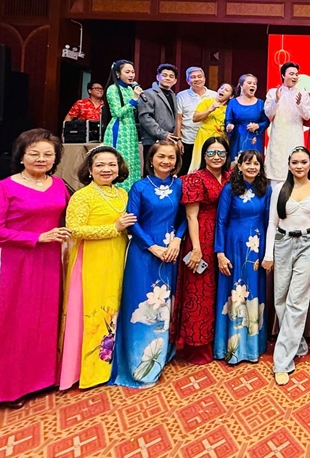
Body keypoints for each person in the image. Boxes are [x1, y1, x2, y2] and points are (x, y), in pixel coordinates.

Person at [0, 129, 71, 407]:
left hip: (49, 260)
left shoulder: (58, 185)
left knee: (44, 319)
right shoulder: (5, 187)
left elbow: (70, 216)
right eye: (34, 153)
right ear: (21, 156)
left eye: (48, 154)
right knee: (14, 321)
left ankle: (40, 380)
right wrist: (36, 237)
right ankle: (5, 388)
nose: (41, 159)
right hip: (15, 262)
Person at [110, 141, 185, 388]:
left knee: (164, 306)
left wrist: (177, 239)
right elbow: (132, 222)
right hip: (143, 253)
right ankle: (136, 363)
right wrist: (152, 247)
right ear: (151, 159)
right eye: (161, 156)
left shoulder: (180, 185)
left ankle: (160, 355)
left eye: (171, 157)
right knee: (139, 304)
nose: (166, 161)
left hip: (170, 252)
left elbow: (185, 217)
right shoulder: (139, 187)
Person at [60, 146, 134, 390]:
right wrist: (114, 228)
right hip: (91, 260)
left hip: (117, 257)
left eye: (111, 164)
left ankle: (111, 367)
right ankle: (88, 371)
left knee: (114, 308)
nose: (106, 169)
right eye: (100, 165)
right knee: (92, 311)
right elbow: (74, 229)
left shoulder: (122, 194)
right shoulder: (83, 196)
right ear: (90, 170)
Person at [263, 146, 310, 384]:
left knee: (297, 301)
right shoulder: (279, 189)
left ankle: (282, 361)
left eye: (303, 162)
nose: (299, 166)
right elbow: (272, 223)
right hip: (283, 243)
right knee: (280, 299)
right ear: (288, 165)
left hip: (308, 244)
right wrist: (269, 254)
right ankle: (298, 343)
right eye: (295, 162)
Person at [174, 137, 231, 365]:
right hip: (202, 237)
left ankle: (220, 341)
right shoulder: (195, 178)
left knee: (222, 289)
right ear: (203, 155)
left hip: (226, 236)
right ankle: (198, 345)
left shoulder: (230, 176)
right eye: (211, 153)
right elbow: (191, 216)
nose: (216, 157)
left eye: (221, 153)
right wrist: (196, 248)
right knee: (199, 292)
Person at [214, 150, 271, 365]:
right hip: (233, 244)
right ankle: (230, 346)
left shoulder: (266, 189)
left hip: (257, 246)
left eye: (256, 163)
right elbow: (221, 221)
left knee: (254, 290)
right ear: (239, 166)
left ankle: (252, 345)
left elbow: (268, 222)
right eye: (248, 163)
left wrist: (268, 252)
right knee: (234, 289)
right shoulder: (229, 189)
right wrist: (220, 252)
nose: (252, 167)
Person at [264, 63, 310, 185]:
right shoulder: (273, 92)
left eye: (296, 74)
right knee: (277, 173)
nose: (295, 77)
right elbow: (268, 114)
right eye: (291, 74)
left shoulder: (303, 94)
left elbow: (307, 115)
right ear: (283, 75)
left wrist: (299, 105)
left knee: (295, 170)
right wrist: (276, 100)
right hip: (278, 138)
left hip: (295, 137)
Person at [101, 60, 142, 191]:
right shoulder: (112, 89)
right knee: (120, 161)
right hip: (119, 130)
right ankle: (117, 191)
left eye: (133, 72)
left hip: (130, 129)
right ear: (118, 74)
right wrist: (134, 100)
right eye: (127, 72)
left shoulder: (130, 89)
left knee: (132, 162)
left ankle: (131, 193)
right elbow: (117, 112)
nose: (131, 75)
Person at [138, 64, 181, 163]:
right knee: (151, 167)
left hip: (168, 139)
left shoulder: (173, 95)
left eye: (171, 76)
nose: (168, 78)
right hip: (152, 140)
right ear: (158, 77)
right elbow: (145, 118)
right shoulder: (148, 93)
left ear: (175, 81)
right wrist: (163, 134)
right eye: (164, 75)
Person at [188, 83, 233, 173]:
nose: (222, 91)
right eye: (221, 88)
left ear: (231, 96)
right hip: (203, 137)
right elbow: (195, 118)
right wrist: (210, 109)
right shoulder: (207, 102)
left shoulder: (229, 108)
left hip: (220, 140)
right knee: (200, 162)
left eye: (226, 90)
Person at [176, 67, 213, 176]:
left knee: (206, 171)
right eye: (193, 77)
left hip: (208, 139)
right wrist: (178, 139)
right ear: (188, 81)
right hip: (188, 139)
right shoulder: (181, 96)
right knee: (185, 171)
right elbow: (178, 119)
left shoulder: (214, 95)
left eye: (199, 76)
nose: (197, 79)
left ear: (204, 78)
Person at [225, 73, 270, 158]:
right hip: (238, 138)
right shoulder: (233, 102)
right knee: (237, 160)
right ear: (241, 85)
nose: (253, 85)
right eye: (249, 83)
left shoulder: (260, 103)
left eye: (255, 84)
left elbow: (266, 122)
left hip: (254, 139)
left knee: (254, 160)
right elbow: (228, 120)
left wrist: (258, 126)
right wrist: (229, 126)